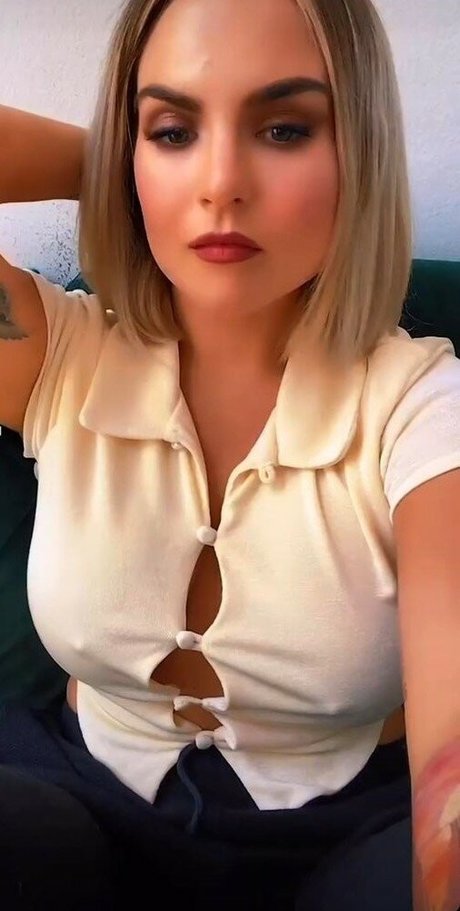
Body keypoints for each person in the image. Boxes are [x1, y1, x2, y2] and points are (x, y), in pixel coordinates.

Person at [0, 0, 459, 909]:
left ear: (360, 152)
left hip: (348, 826)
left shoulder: (423, 408)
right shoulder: (55, 354)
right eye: (174, 130)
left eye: (284, 129)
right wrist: (117, 165)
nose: (220, 183)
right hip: (75, 798)